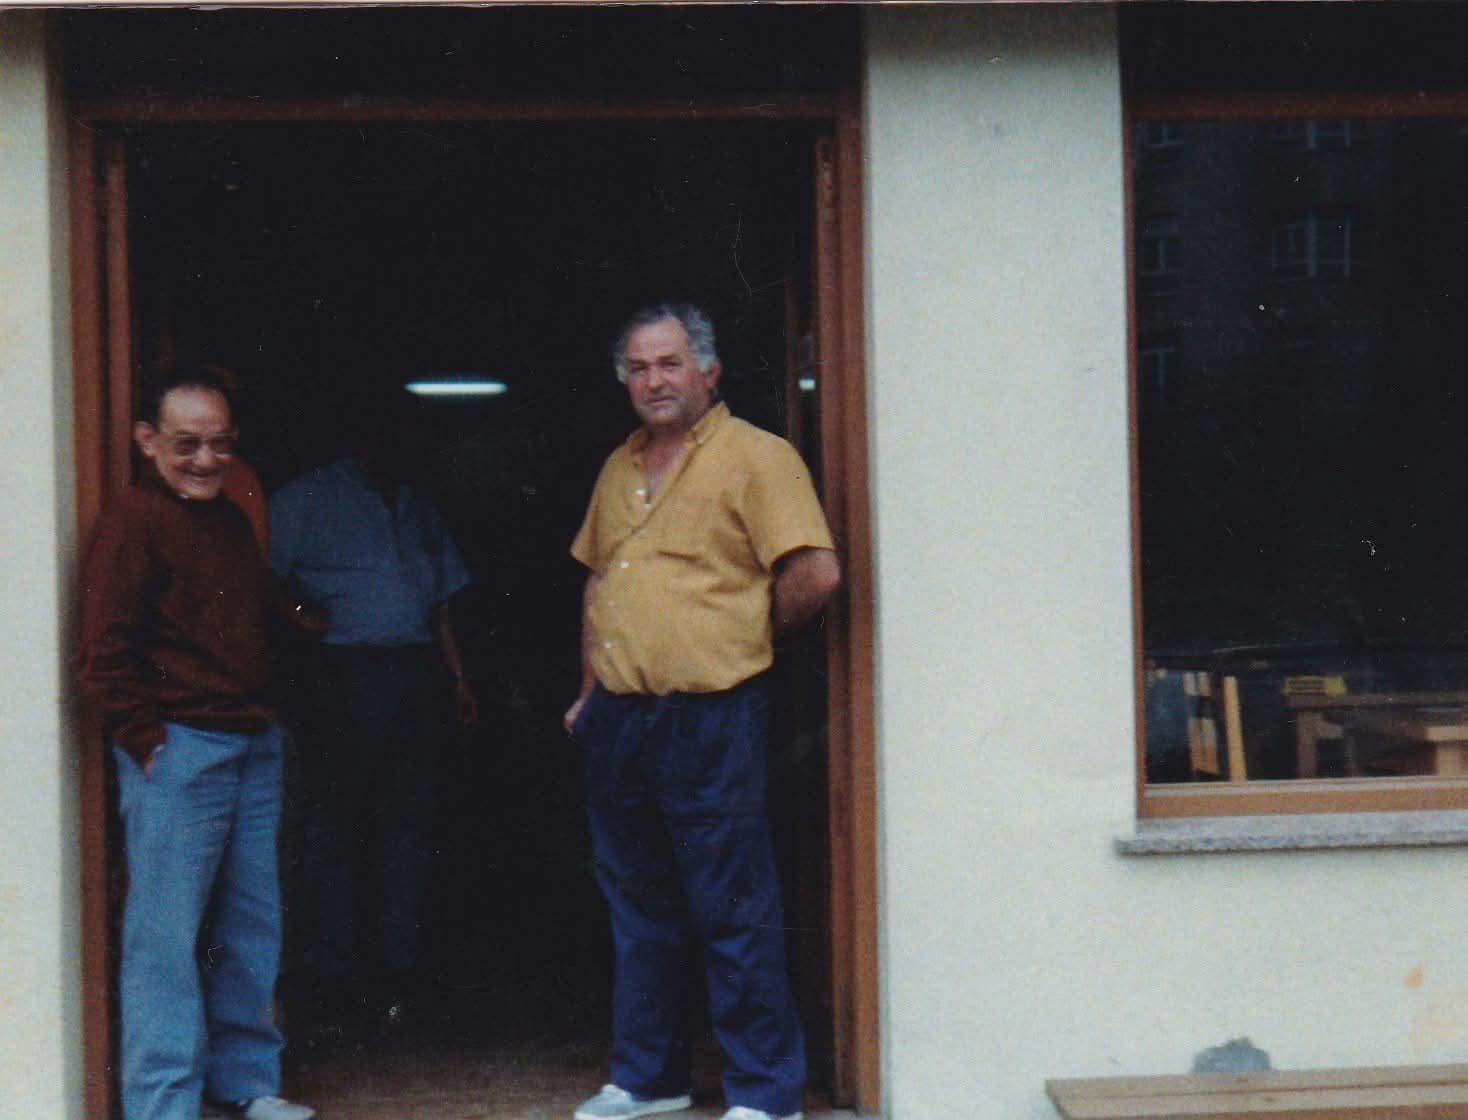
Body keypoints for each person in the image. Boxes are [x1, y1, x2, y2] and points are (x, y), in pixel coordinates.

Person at [565, 304, 841, 1120]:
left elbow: (816, 573)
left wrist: (740, 638)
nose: (654, 380)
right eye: (639, 368)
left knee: (732, 907)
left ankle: (765, 1093)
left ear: (708, 372)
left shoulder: (759, 456)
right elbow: (597, 581)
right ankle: (650, 1080)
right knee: (638, 908)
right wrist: (586, 693)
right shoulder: (619, 467)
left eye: (670, 364)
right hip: (621, 717)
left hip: (711, 715)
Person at [77, 365, 313, 1120]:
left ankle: (246, 1082)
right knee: (166, 940)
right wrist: (149, 743)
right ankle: (162, 1104)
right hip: (179, 749)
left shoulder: (231, 521)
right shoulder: (131, 520)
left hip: (249, 743)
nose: (206, 460)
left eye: (221, 444)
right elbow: (100, 654)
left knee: (252, 922)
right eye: (186, 444)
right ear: (148, 441)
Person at [268, 391, 478, 1036]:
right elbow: (251, 572)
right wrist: (298, 614)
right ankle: (328, 972)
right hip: (344, 676)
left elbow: (442, 599)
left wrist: (459, 679)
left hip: (414, 674)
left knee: (406, 824)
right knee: (334, 826)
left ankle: (399, 970)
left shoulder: (416, 503)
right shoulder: (309, 498)